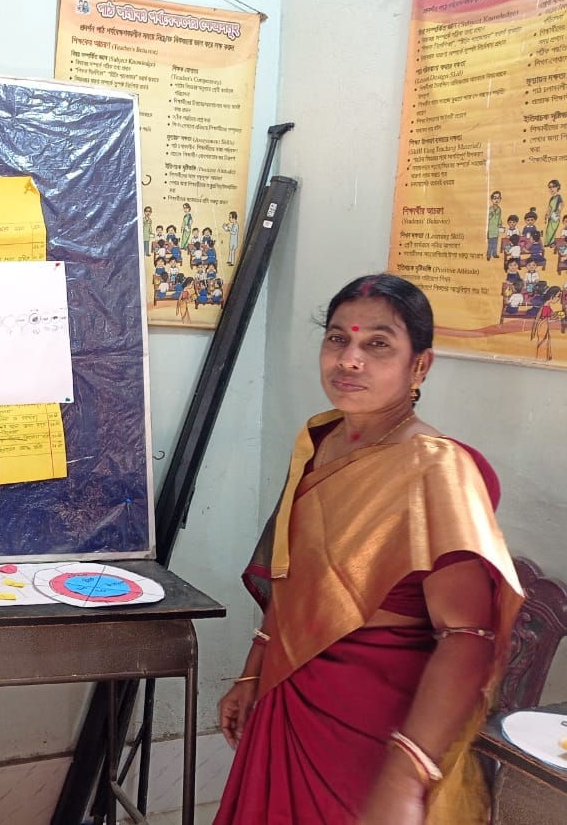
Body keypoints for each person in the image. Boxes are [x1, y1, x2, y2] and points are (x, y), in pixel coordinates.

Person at [214, 274, 522, 825]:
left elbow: (467, 636)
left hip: (370, 720)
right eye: (338, 338)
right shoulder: (319, 442)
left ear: (419, 366)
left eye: (378, 344)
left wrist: (408, 774)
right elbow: (291, 575)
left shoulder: (437, 470)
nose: (349, 360)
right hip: (290, 692)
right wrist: (252, 671)